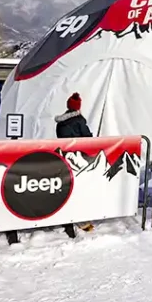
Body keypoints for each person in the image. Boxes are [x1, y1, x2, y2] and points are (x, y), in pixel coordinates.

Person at [55, 93, 94, 235]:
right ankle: (80, 218)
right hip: (79, 159)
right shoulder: (79, 121)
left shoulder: (60, 122)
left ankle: (67, 215)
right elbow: (87, 138)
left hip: (65, 158)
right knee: (79, 189)